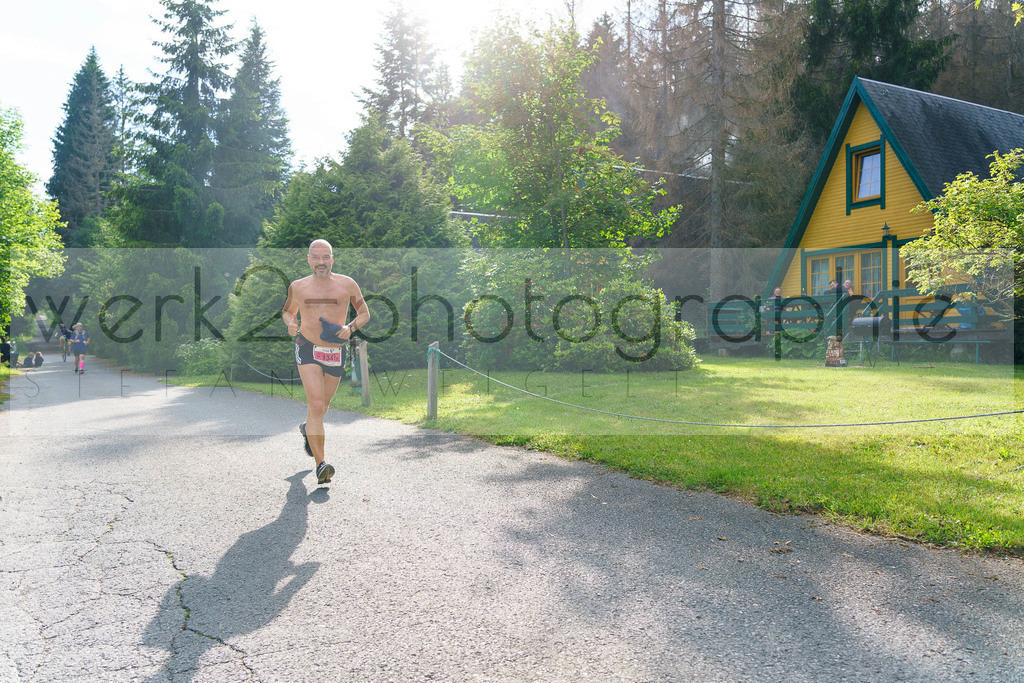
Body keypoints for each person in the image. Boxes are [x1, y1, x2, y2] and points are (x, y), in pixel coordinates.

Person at [282, 239, 370, 485]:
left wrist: (350, 327)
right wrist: (290, 323)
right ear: (308, 259)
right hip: (307, 347)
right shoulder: (297, 287)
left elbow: (365, 313)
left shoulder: (348, 284)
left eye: (326, 257)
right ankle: (321, 464)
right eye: (316, 257)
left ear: (333, 258)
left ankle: (306, 428)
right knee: (317, 403)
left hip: (335, 351)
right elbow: (287, 311)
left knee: (322, 407)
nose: (321, 262)